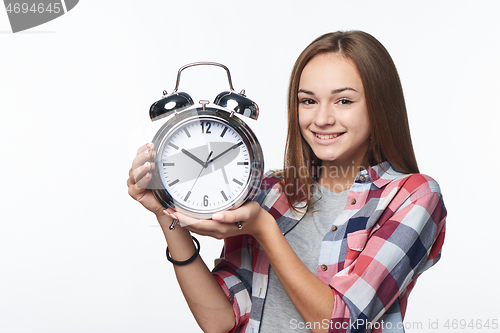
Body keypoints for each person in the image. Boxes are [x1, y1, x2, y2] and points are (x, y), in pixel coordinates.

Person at [127, 30, 446, 333]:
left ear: (379, 106)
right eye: (308, 101)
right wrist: (164, 213)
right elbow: (221, 320)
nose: (321, 119)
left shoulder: (412, 197)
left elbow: (343, 323)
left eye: (343, 101)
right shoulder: (268, 192)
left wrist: (264, 229)